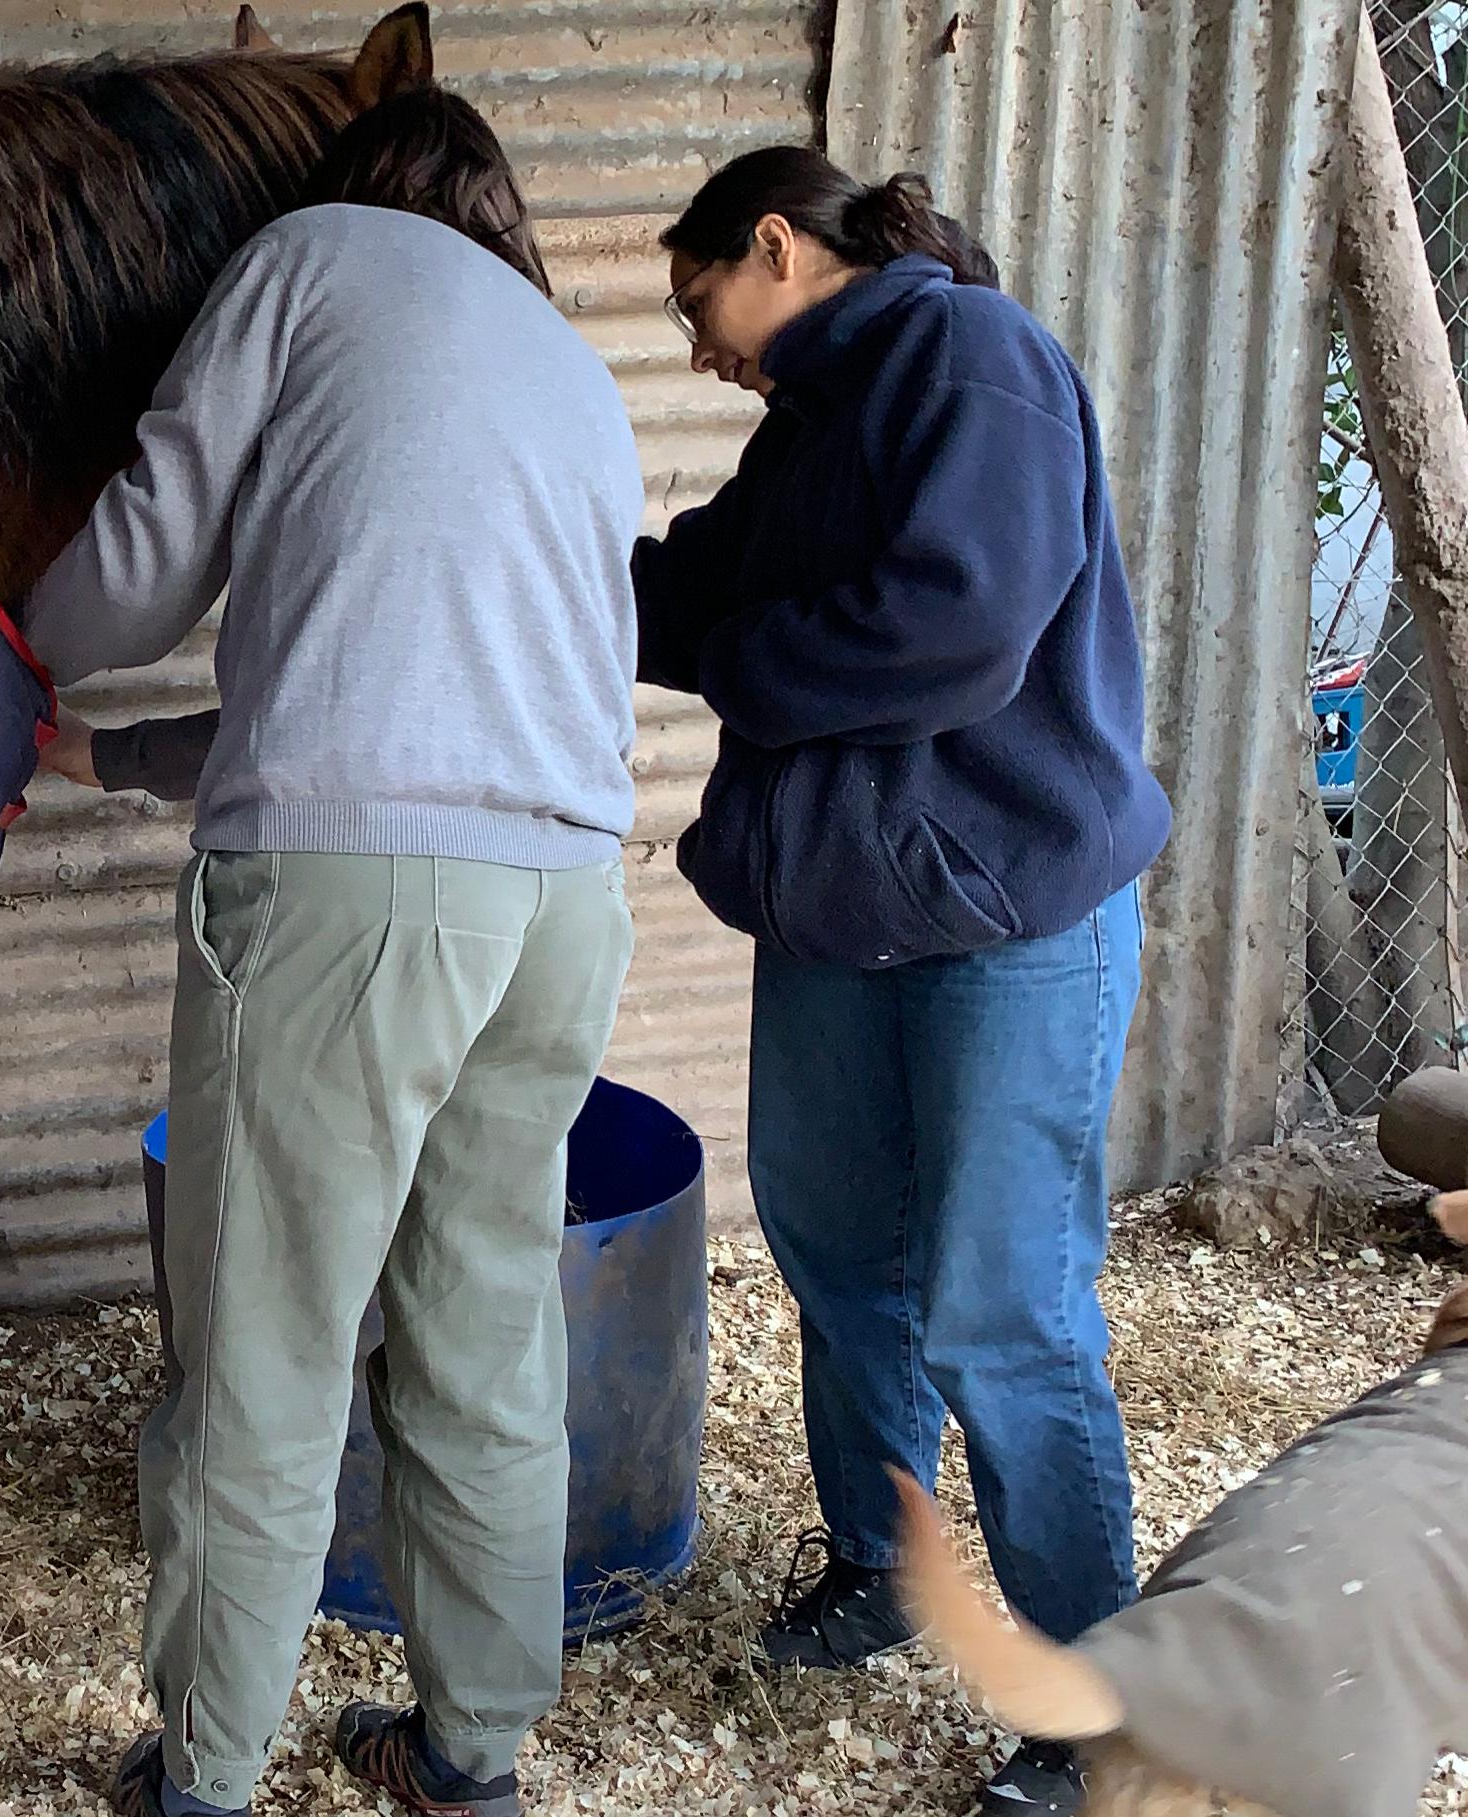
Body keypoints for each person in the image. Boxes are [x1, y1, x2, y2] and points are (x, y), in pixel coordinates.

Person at [21, 82, 642, 1817]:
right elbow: (385, 697)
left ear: (343, 185)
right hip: (559, 905)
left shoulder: (304, 262)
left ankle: (204, 1782)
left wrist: (18, 636)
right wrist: (118, 759)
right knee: (485, 1327)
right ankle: (471, 1756)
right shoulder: (569, 375)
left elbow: (140, 565)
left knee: (263, 1354)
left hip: (346, 916)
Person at [635, 145, 1169, 1817]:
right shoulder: (815, 419)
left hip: (1006, 913)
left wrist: (733, 664)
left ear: (779, 246)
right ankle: (884, 1557)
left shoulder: (975, 361)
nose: (698, 344)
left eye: (699, 297)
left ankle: (1102, 1704)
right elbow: (701, 584)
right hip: (847, 919)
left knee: (999, 1305)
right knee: (834, 1245)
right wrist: (531, 569)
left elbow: (957, 627)